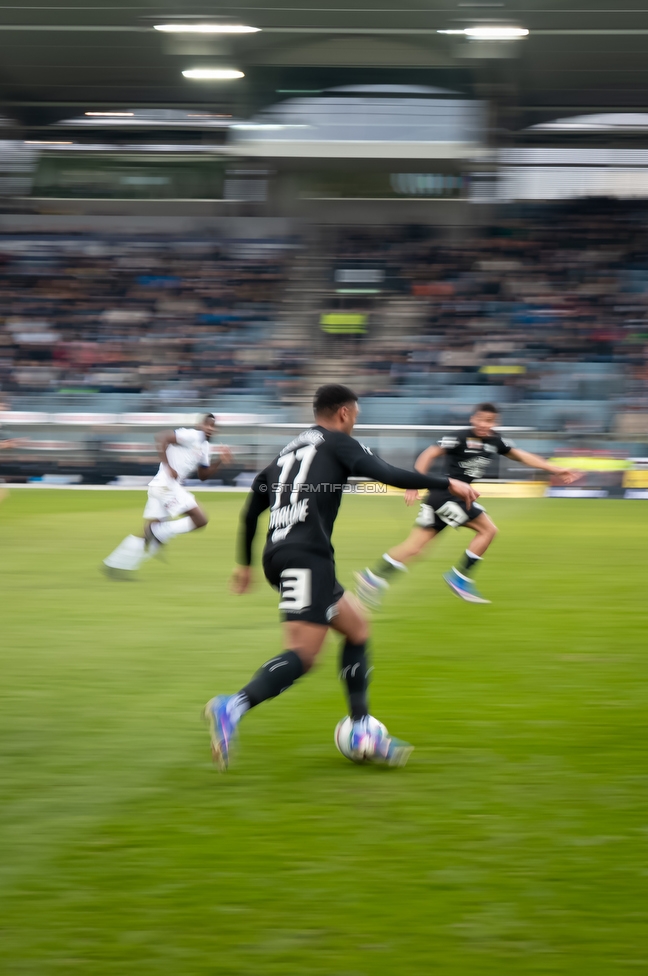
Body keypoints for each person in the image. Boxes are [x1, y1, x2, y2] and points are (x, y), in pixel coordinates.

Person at [204, 384, 479, 770]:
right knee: (303, 654)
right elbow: (386, 473)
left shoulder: (287, 451)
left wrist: (244, 564)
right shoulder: (337, 442)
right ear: (345, 413)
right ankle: (232, 706)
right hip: (306, 557)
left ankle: (360, 725)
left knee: (357, 628)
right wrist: (447, 483)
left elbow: (251, 509)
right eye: (356, 416)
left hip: (281, 554)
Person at [355, 402, 579, 606]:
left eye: (489, 421)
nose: (484, 425)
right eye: (481, 420)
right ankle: (459, 578)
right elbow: (428, 453)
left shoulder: (495, 441)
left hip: (447, 498)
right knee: (488, 530)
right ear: (473, 419)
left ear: (495, 423)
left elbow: (523, 456)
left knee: (415, 548)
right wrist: (415, 482)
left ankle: (372, 578)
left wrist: (556, 469)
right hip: (448, 495)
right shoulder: (459, 437)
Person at [103, 413, 231, 577]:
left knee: (148, 531)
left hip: (161, 487)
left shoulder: (205, 447)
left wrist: (220, 460)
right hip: (166, 485)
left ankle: (115, 563)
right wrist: (168, 466)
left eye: (213, 426)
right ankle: (161, 532)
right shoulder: (192, 435)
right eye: (207, 424)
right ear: (200, 425)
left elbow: (203, 475)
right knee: (200, 519)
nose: (210, 428)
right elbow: (162, 437)